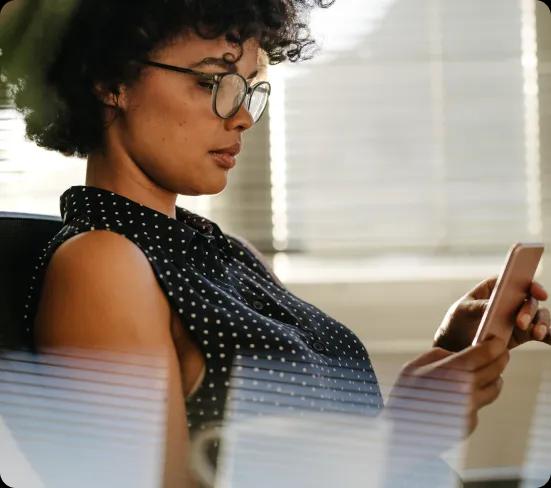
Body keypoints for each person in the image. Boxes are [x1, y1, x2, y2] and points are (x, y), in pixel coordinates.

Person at [1, 0, 550, 486]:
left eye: (249, 88)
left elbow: (317, 435)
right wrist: (398, 435)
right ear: (109, 81)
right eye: (212, 82)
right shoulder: (103, 263)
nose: (242, 117)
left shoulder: (223, 252)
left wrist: (453, 356)